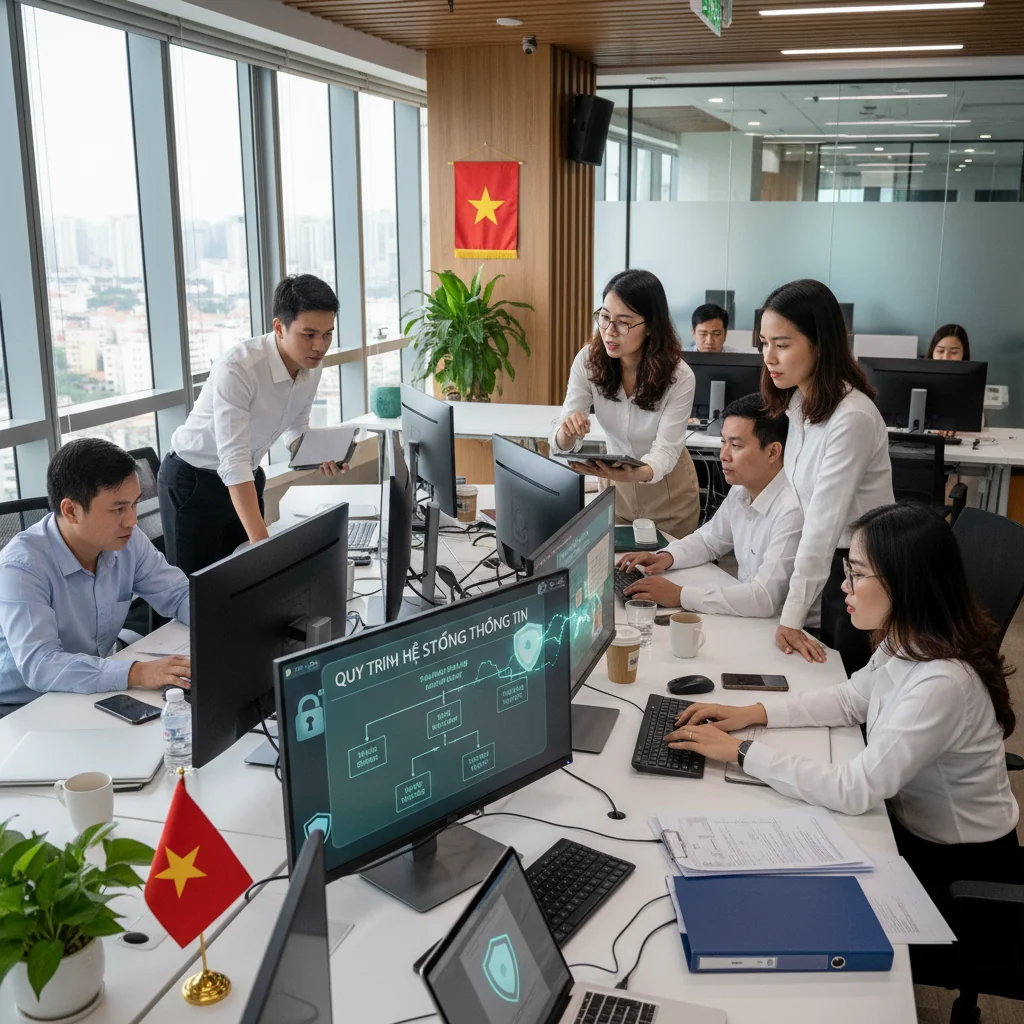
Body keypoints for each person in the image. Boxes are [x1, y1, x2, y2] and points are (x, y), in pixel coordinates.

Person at [665, 502, 1020, 948]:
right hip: (906, 829)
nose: (844, 586)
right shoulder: (909, 636)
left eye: (856, 573)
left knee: (790, 910)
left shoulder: (942, 681)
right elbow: (852, 699)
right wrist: (753, 713)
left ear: (904, 582)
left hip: (959, 875)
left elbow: (855, 789)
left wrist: (738, 752)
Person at [159, 274, 345, 575]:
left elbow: (297, 427)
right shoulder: (238, 368)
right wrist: (263, 544)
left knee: (249, 584)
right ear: (278, 328)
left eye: (327, 334)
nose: (320, 346)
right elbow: (233, 460)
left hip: (246, 477)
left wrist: (315, 454)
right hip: (193, 483)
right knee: (197, 596)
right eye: (308, 334)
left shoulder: (312, 365)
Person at [760, 278, 893, 675]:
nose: (769, 357)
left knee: (845, 682)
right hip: (831, 562)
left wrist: (792, 614)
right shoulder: (801, 402)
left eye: (782, 345)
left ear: (820, 344)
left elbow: (823, 526)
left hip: (862, 570)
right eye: (764, 343)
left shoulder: (850, 417)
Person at [0, 439, 191, 710]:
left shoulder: (127, 539)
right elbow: (40, 665)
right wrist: (137, 672)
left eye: (134, 505)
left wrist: (223, 621)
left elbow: (178, 593)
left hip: (96, 687)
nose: (132, 520)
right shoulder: (22, 567)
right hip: (25, 707)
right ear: (71, 511)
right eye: (118, 509)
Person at [617, 394, 803, 617]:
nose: (723, 455)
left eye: (735, 445)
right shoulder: (742, 489)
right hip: (748, 615)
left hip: (783, 628)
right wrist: (666, 557)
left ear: (773, 452)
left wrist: (680, 595)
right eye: (723, 442)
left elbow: (763, 599)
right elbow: (709, 541)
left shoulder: (792, 510)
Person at [551, 269, 700, 539]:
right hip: (616, 492)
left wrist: (631, 475)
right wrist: (567, 432)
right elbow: (562, 439)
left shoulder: (679, 377)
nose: (609, 331)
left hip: (669, 495)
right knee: (617, 573)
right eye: (605, 317)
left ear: (651, 326)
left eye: (623, 323)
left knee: (664, 575)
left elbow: (665, 452)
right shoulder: (588, 361)